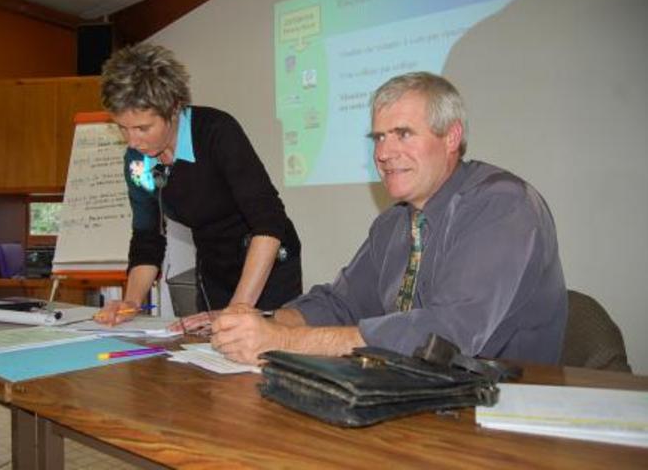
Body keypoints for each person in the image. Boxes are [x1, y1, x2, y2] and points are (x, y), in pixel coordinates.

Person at [211, 71, 567, 365]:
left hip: (500, 416)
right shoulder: (394, 223)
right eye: (379, 137)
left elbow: (446, 333)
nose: (383, 152)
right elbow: (340, 303)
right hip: (414, 399)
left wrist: (285, 340)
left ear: (452, 137)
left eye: (403, 134)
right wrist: (260, 321)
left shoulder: (502, 203)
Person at [95, 42, 302, 326]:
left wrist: (239, 308)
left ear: (174, 108)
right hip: (213, 267)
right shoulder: (138, 161)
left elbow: (269, 221)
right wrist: (130, 303)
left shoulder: (216, 131)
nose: (132, 141)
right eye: (122, 127)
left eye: (143, 128)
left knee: (258, 349)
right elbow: (148, 238)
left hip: (265, 266)